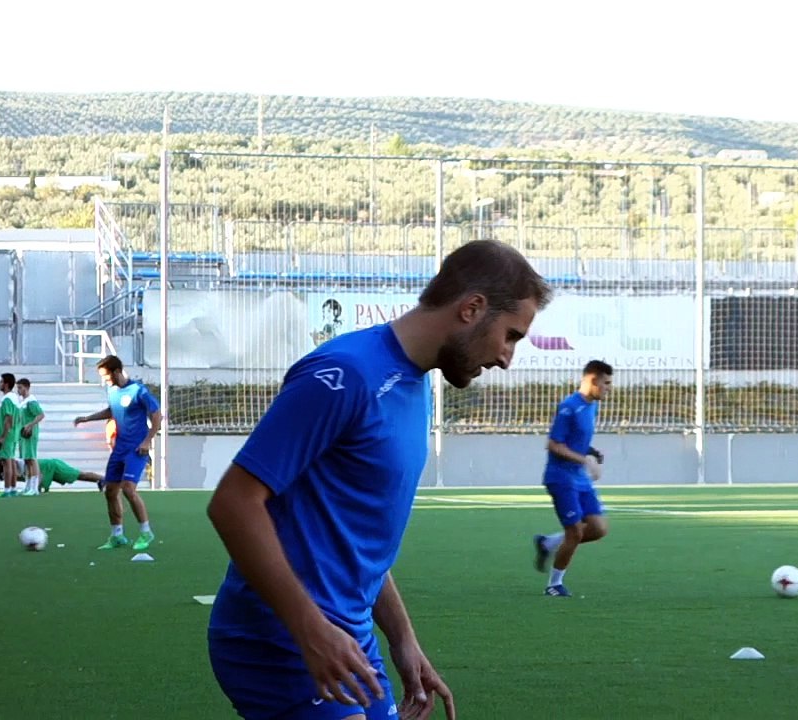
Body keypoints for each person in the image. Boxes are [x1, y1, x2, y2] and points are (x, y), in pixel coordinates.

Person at [206, 239, 551, 720]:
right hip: (280, 640)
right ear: (472, 308)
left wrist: (404, 641)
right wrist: (310, 630)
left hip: (348, 637)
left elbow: (356, 537)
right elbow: (233, 503)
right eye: (511, 335)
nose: (507, 357)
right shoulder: (344, 374)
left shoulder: (415, 382)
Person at [531, 360, 613, 597]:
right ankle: (554, 584)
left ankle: (548, 543)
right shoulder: (569, 407)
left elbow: (577, 440)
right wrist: (584, 460)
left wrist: (592, 452)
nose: (609, 388)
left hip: (579, 478)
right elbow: (554, 444)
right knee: (575, 532)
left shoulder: (592, 406)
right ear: (592, 380)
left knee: (598, 529)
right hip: (561, 478)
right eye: (606, 383)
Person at [73, 355, 161, 551]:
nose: (105, 380)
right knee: (111, 491)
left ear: (117, 371)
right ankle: (117, 536)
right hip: (119, 449)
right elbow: (112, 411)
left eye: (106, 375)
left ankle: (146, 531)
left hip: (136, 448)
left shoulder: (138, 390)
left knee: (128, 488)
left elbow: (157, 415)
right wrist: (87, 418)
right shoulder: (112, 391)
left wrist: (147, 441)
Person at [0, 372, 24, 498]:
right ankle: (13, 488)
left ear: (6, 384)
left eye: (1, 382)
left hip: (7, 435)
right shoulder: (14, 399)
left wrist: (3, 436)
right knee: (11, 461)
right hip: (13, 434)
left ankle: (7, 489)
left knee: (6, 462)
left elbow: (8, 418)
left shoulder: (7, 400)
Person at [16, 378, 46, 496]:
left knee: (32, 459)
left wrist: (30, 425)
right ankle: (28, 485)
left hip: (30, 434)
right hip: (22, 434)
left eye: (20, 388)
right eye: (17, 388)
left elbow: (41, 415)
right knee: (27, 460)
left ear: (27, 388)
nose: (18, 390)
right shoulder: (23, 402)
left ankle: (35, 487)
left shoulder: (31, 402)